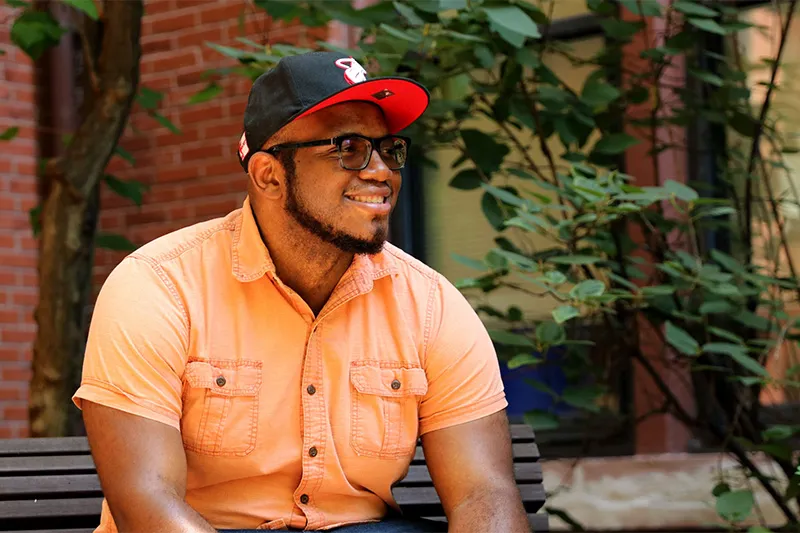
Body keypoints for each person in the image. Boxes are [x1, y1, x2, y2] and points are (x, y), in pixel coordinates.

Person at [72, 51, 530, 533]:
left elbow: (484, 492)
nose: (381, 171)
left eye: (387, 149)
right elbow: (148, 505)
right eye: (349, 148)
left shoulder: (431, 305)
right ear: (269, 176)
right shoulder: (159, 287)